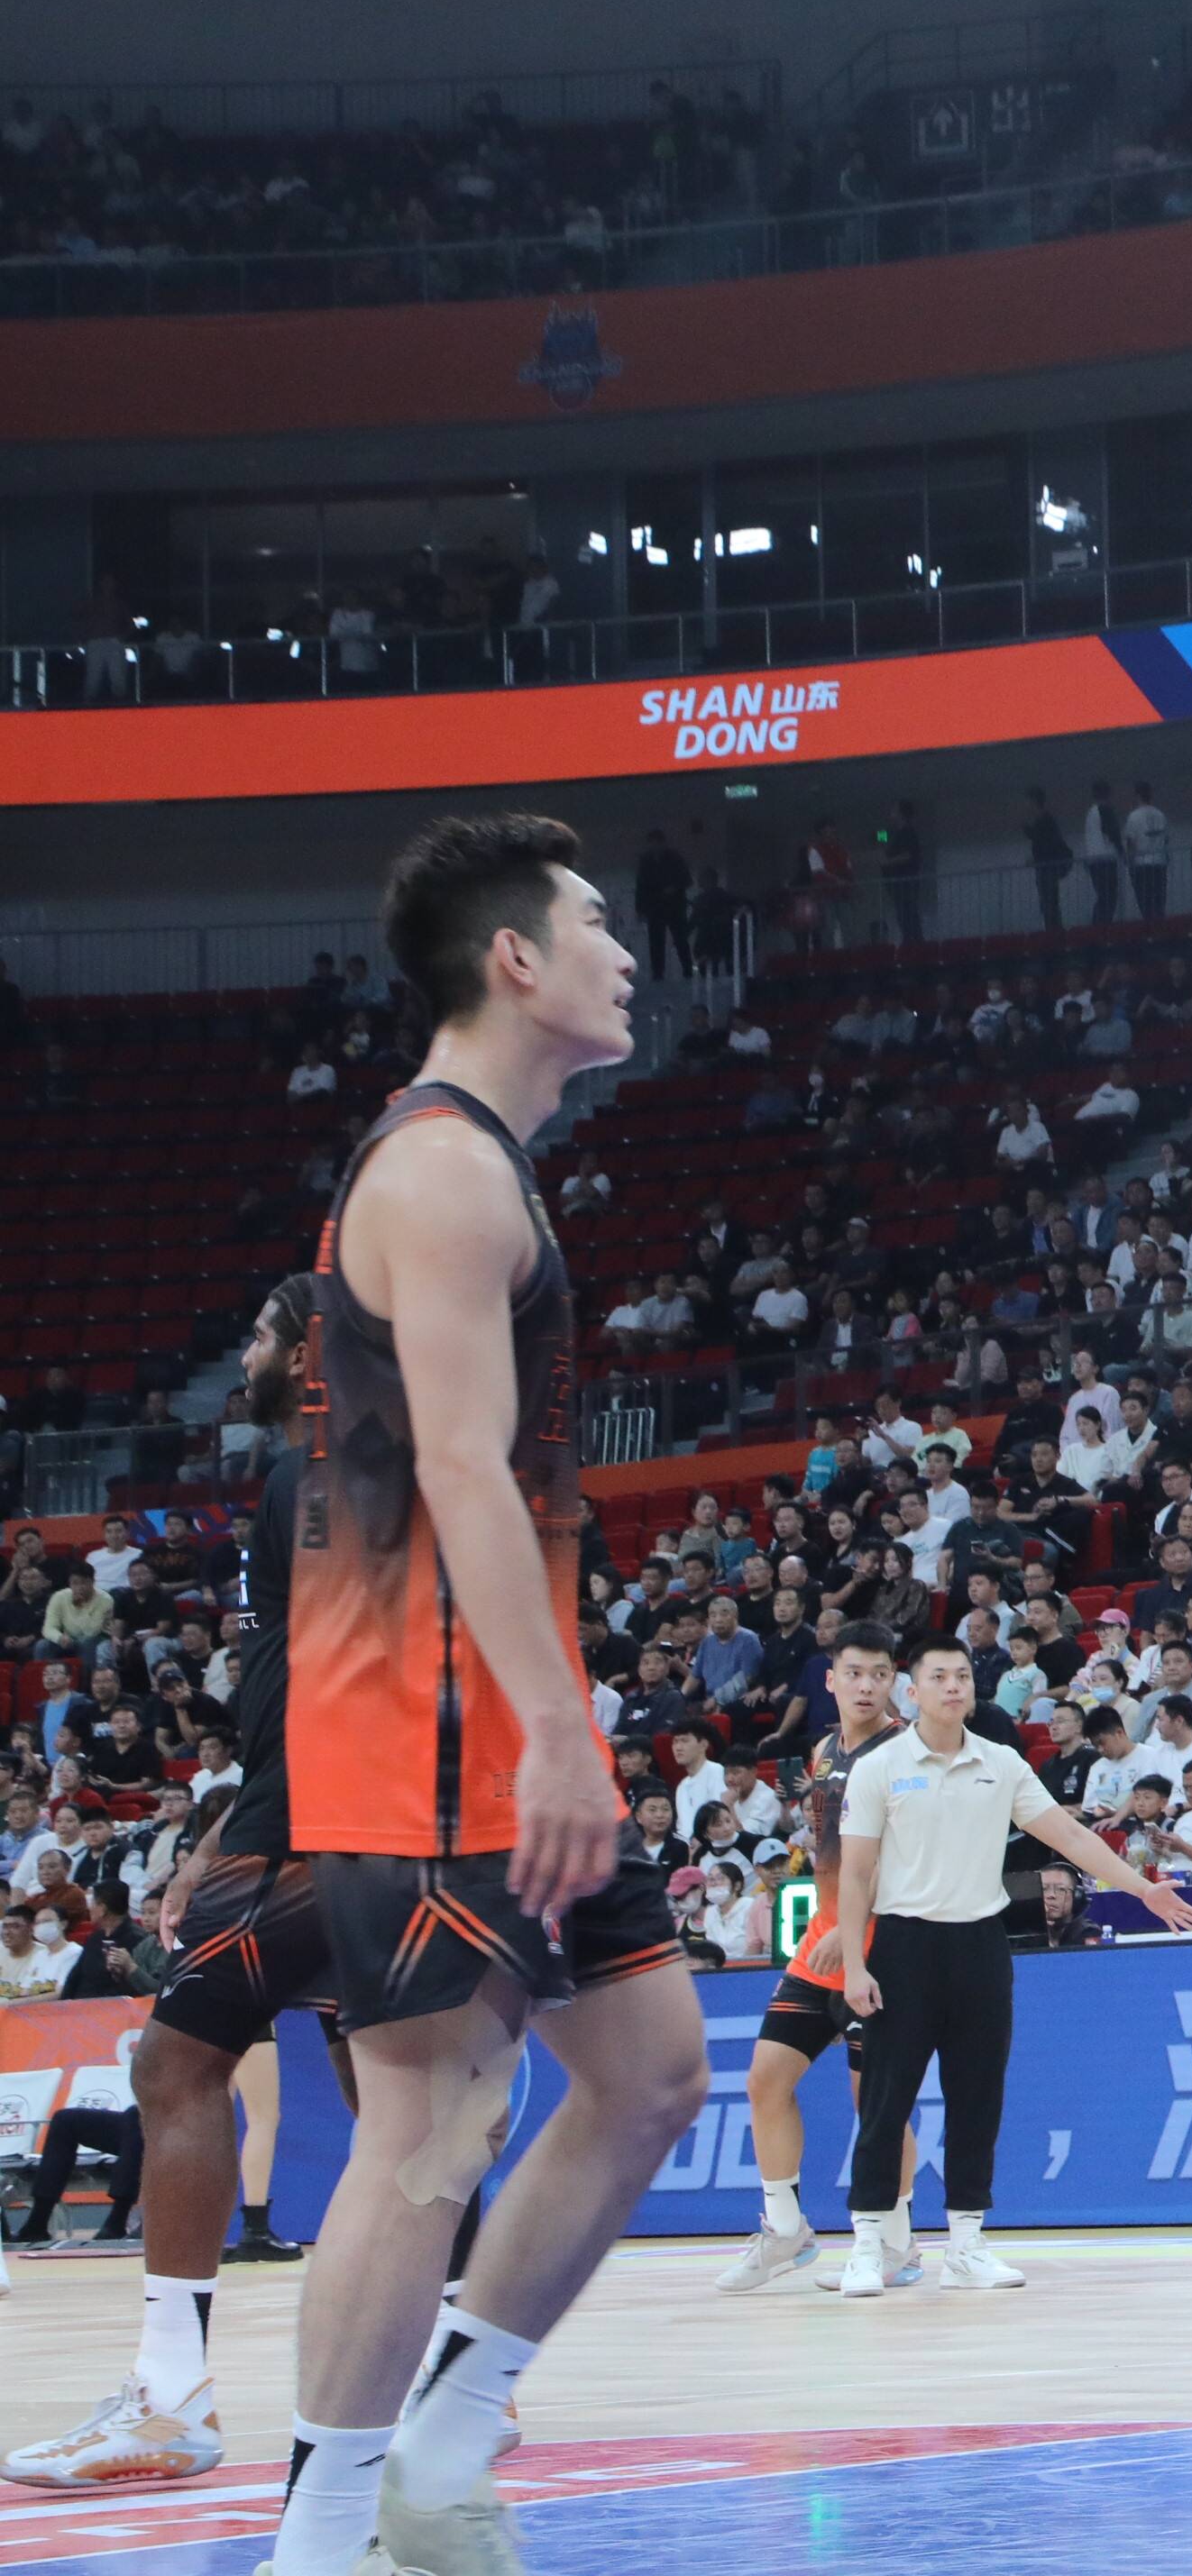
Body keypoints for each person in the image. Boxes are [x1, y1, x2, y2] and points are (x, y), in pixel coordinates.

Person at [274, 818, 715, 2576]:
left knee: (651, 2073)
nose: (627, 950)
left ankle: (443, 2451)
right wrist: (552, 1730)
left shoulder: (480, 1166)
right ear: (516, 959)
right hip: (425, 1722)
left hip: (481, 1708)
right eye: (597, 922)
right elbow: (462, 1467)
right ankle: (320, 2546)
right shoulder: (444, 1171)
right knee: (431, 2123)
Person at [10, 1283, 396, 2491]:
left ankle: (170, 2400)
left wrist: (254, 1835)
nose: (247, 1352)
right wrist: (223, 1824)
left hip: (320, 1820)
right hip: (364, 1818)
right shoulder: (371, 1466)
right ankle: (450, 2393)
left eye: (265, 1334)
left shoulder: (310, 1474)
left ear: (312, 1350)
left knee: (175, 2068)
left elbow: (340, 1668)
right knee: (400, 2106)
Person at [825, 1640, 1192, 2297]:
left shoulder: (1000, 1763)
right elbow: (856, 1875)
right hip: (904, 1947)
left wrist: (1144, 1890)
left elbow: (1073, 1836)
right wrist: (855, 1965)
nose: (953, 1686)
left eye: (962, 1676)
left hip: (980, 1945)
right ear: (912, 1691)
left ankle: (967, 2244)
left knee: (977, 2097)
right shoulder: (880, 1767)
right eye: (939, 1677)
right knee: (886, 2100)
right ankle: (867, 2244)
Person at [712, 1620, 916, 2296]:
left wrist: (855, 1924)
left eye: (879, 1674)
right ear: (830, 1680)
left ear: (895, 1681)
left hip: (883, 1948)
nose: (866, 1685)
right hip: (819, 1945)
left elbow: (913, 1858)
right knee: (765, 2080)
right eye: (853, 1673)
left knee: (875, 2102)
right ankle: (786, 2230)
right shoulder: (824, 1749)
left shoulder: (908, 1753)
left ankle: (898, 2243)